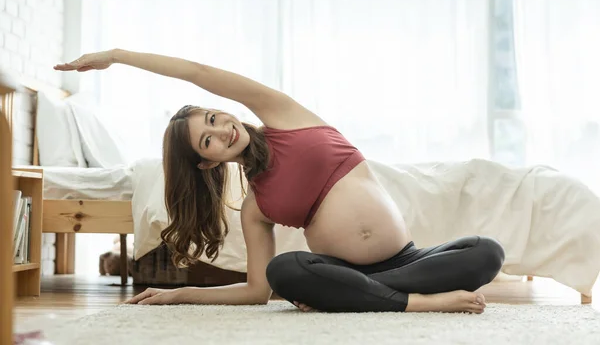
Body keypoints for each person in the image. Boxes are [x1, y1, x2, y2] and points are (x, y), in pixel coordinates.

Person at [55, 49, 505, 313]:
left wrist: (117, 57)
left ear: (224, 109)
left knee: (486, 252)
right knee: (284, 270)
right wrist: (180, 294)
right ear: (208, 164)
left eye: (213, 119)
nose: (220, 131)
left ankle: (366, 297)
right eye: (207, 142)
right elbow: (257, 291)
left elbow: (199, 72)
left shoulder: (283, 115)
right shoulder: (256, 206)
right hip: (343, 270)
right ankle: (418, 304)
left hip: (407, 259)